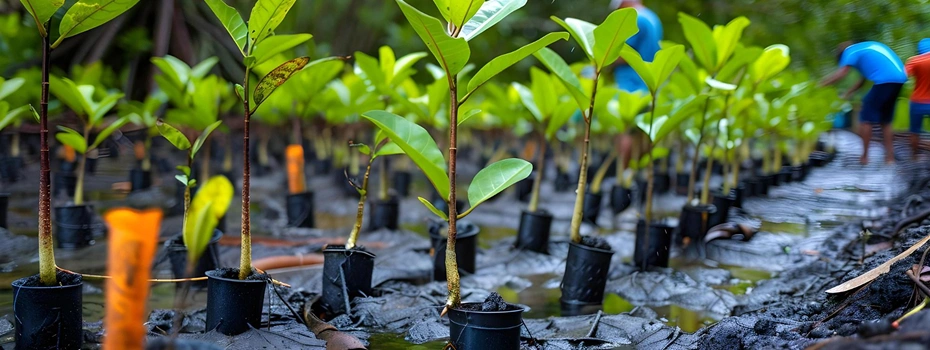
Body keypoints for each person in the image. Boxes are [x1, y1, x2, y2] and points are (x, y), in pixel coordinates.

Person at [820, 41, 907, 165]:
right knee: (885, 120)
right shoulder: (864, 50)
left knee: (866, 117)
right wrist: (848, 92)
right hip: (900, 78)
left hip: (885, 79)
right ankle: (890, 158)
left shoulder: (849, 51)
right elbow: (863, 80)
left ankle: (864, 158)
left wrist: (821, 85)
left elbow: (842, 73)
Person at [611, 0, 663, 93]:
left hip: (631, 85)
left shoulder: (635, 19)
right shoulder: (652, 17)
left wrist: (601, 63)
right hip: (648, 84)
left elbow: (623, 53)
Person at [905, 38, 930, 160]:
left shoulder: (914, 61)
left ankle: (914, 156)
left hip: (917, 102)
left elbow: (904, 76)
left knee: (914, 131)